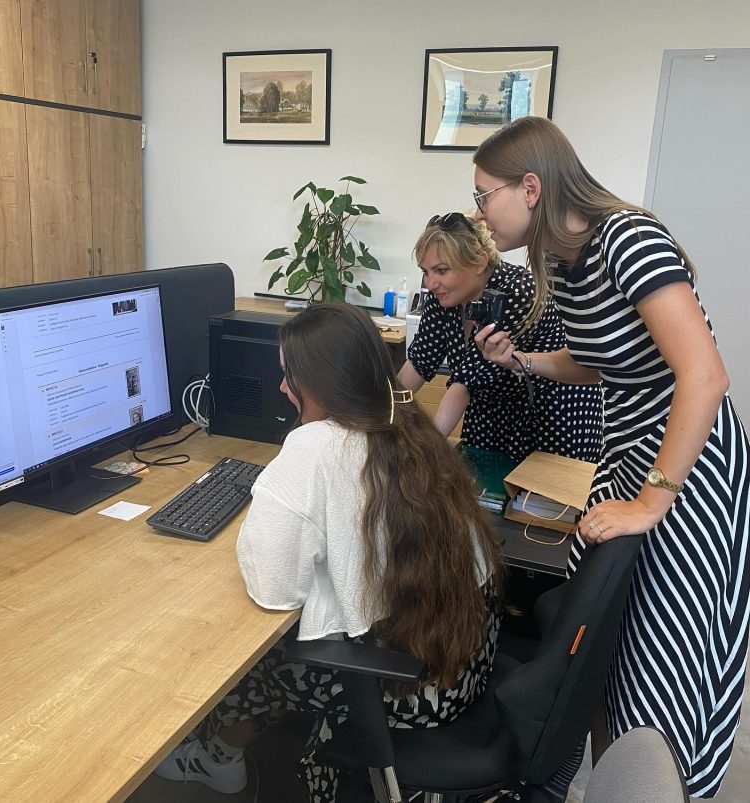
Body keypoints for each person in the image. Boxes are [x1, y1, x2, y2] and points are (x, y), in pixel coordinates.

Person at [471, 115, 749, 799]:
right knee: (597, 649)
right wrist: (523, 360)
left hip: (684, 475)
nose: (478, 214)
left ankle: (653, 784)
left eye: (483, 196)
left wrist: (652, 502)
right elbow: (602, 358)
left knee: (660, 658)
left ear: (530, 187)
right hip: (626, 461)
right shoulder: (565, 262)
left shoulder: (629, 239)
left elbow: (705, 376)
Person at [156, 303, 505, 802]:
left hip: (410, 690)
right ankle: (225, 751)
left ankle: (217, 756)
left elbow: (274, 589)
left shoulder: (315, 446)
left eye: (289, 377)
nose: (282, 387)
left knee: (257, 658)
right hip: (464, 659)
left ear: (320, 383)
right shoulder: (408, 421)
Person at [398, 212, 603, 463]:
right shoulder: (442, 297)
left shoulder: (518, 291)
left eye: (441, 270)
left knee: (534, 490)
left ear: (479, 263)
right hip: (491, 415)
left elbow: (466, 382)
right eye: (426, 272)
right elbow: (419, 361)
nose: (431, 283)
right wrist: (382, 419)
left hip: (552, 418)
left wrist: (427, 454)